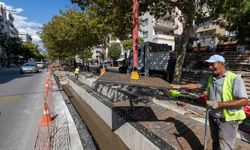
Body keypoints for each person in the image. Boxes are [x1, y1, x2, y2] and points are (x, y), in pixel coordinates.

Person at [171, 54, 249, 150]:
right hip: (213, 116)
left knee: (225, 145)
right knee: (215, 141)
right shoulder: (211, 78)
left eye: (213, 64)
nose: (210, 67)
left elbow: (244, 101)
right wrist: (179, 87)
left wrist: (219, 104)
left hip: (228, 119)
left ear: (221, 63)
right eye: (209, 65)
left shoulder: (235, 79)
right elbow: (196, 85)